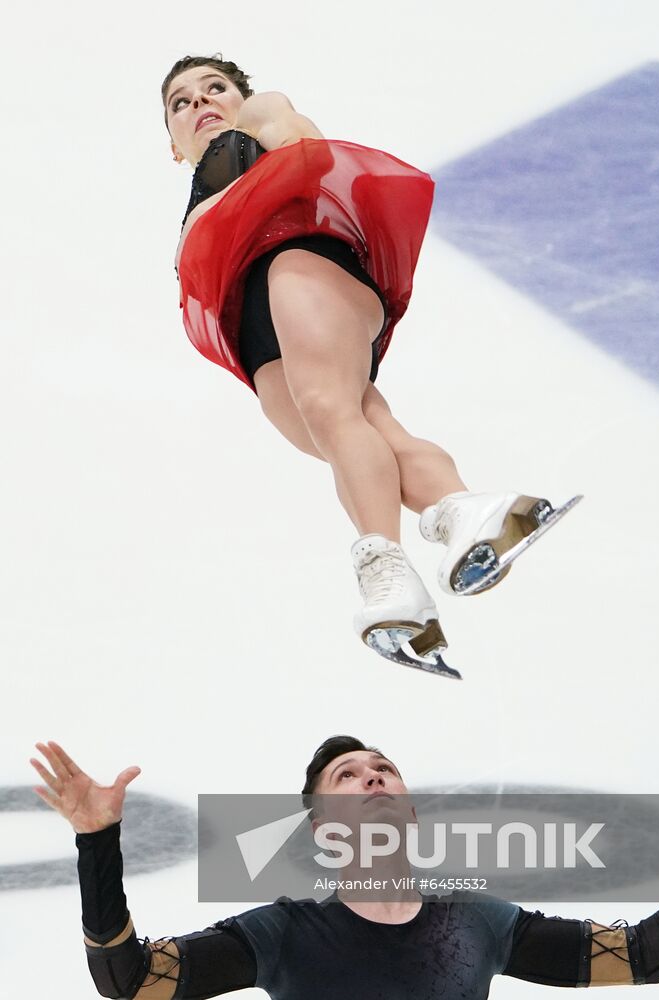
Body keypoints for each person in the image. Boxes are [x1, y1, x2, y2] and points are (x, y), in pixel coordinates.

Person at [164, 54, 579, 674]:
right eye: (180, 102)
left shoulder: (259, 114)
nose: (200, 102)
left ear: (238, 95)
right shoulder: (200, 183)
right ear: (171, 144)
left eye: (213, 88)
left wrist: (258, 139)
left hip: (300, 263)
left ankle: (388, 573)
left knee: (333, 414)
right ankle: (462, 512)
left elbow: (306, 149)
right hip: (257, 329)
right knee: (362, 432)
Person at [31, 738, 659, 998]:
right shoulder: (279, 932)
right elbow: (129, 983)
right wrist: (98, 844)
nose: (372, 777)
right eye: (347, 777)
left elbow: (644, 957)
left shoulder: (479, 921)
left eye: (383, 769)